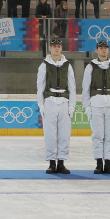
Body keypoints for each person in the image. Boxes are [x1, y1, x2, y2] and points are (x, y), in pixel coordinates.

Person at [81, 40, 110, 175]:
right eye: (101, 48)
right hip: (96, 103)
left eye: (105, 48)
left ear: (108, 50)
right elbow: (85, 88)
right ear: (96, 50)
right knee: (97, 135)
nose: (103, 50)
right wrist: (86, 105)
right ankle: (99, 163)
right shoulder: (91, 67)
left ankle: (109, 163)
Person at [37, 38, 75, 174]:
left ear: (61, 48)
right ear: (50, 48)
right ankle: (52, 162)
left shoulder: (67, 65)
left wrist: (72, 105)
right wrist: (41, 104)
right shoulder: (44, 65)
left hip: (64, 101)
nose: (57, 48)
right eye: (54, 46)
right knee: (50, 134)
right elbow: (40, 86)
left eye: (59, 46)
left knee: (64, 134)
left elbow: (72, 87)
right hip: (50, 101)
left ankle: (62, 162)